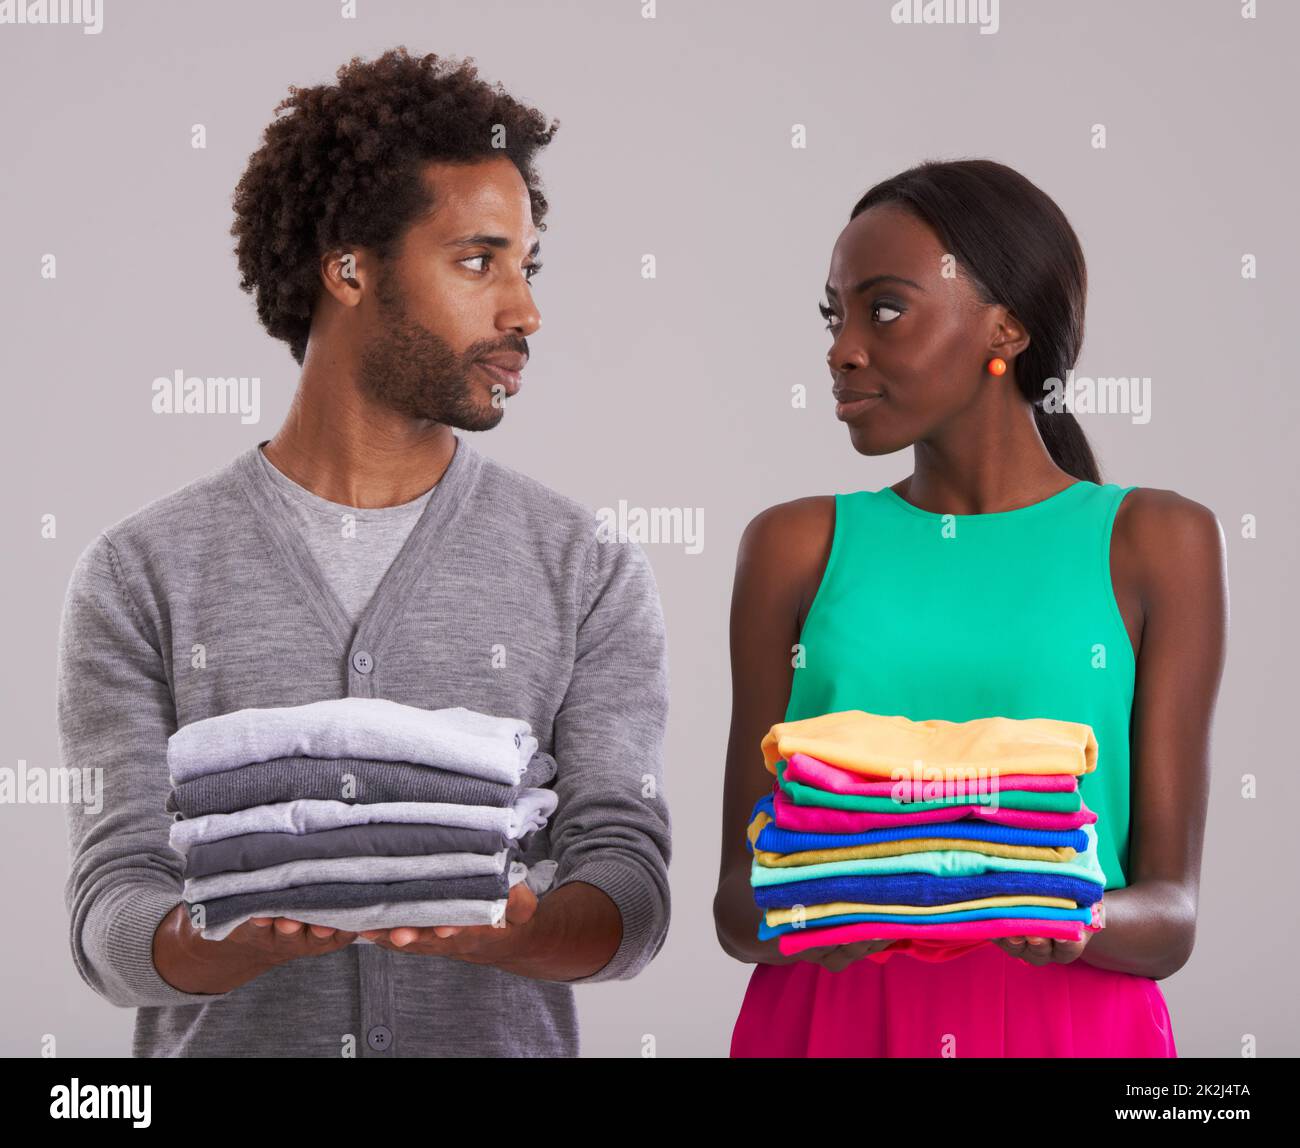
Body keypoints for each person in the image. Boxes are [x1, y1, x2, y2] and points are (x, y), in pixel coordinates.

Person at [57, 47, 671, 1058]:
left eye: (527, 265)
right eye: (479, 262)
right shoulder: (140, 572)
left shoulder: (586, 563)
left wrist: (521, 928)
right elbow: (110, 907)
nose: (524, 311)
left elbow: (628, 882)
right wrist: (218, 940)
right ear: (349, 269)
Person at [714, 159, 1226, 1057]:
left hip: (1070, 1029)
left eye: (883, 308)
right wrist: (841, 910)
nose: (841, 348)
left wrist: (1067, 917)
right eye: (835, 316)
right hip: (831, 1026)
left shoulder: (1158, 541)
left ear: (1008, 326)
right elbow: (736, 907)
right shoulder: (793, 547)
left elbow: (1171, 913)